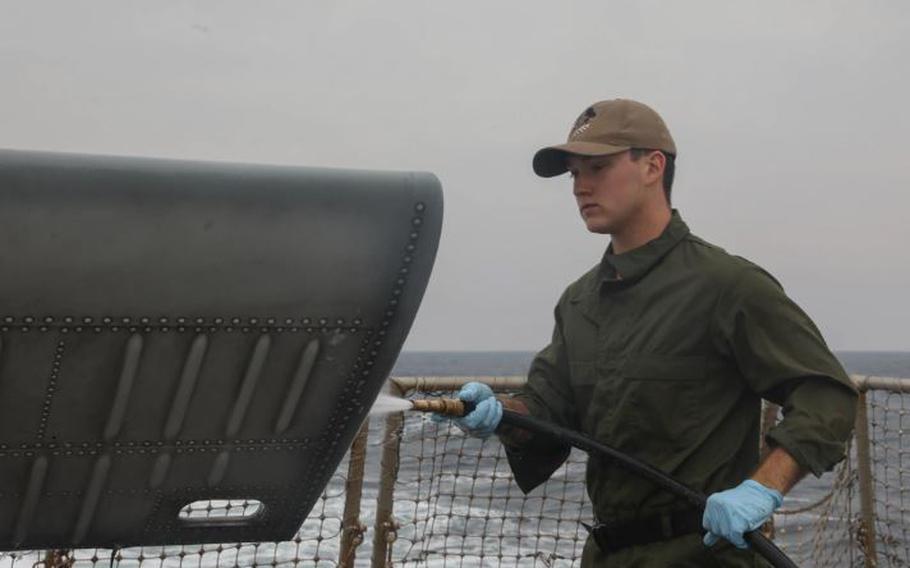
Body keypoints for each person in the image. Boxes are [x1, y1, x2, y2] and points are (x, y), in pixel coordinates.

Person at [435, 99, 858, 566]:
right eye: (574, 174)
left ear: (653, 165)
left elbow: (826, 395)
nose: (580, 187)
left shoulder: (727, 285)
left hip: (703, 556)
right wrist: (500, 416)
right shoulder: (578, 303)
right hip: (606, 555)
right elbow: (548, 413)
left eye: (597, 167)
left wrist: (761, 489)